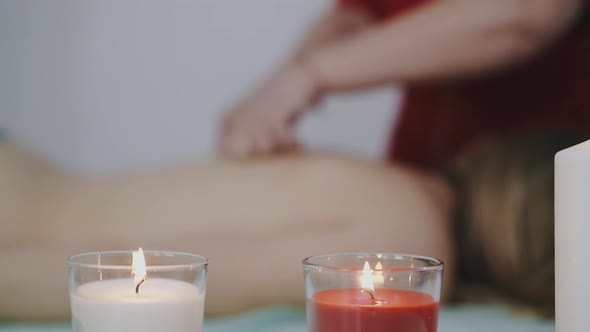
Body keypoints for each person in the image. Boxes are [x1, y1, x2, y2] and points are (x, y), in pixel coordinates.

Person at [221, 0, 590, 316]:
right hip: (419, 189)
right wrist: (274, 103)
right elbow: (359, 13)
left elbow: (524, 14)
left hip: (529, 209)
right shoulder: (407, 223)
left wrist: (307, 76)